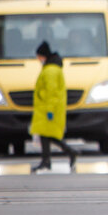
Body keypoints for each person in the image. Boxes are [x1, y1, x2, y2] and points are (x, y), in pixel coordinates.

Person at [31, 41, 77, 172]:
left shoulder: (50, 70)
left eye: (39, 56)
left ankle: (66, 153)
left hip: (48, 109)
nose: (38, 59)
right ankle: (48, 160)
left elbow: (51, 92)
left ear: (43, 55)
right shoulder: (51, 68)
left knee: (48, 136)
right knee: (47, 136)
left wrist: (49, 110)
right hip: (46, 108)